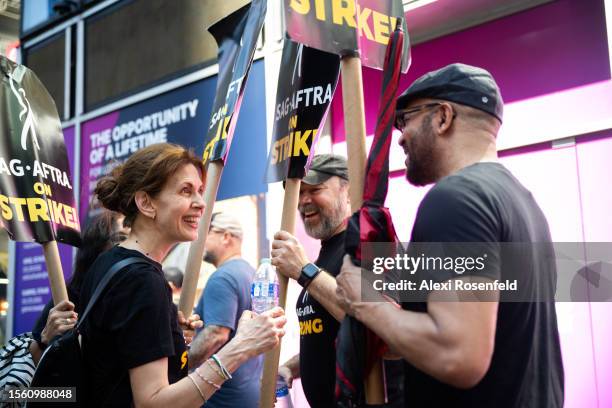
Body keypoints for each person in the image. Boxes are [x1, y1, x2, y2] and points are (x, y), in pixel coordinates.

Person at [335, 63, 564, 407]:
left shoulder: (456, 199)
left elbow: (458, 354)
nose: (400, 135)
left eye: (406, 118)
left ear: (443, 117)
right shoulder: (523, 203)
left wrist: (365, 302)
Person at [78, 143, 286, 407]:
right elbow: (153, 403)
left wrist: (171, 339)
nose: (200, 203)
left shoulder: (110, 263)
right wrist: (241, 346)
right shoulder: (142, 279)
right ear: (146, 203)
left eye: (200, 191)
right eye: (186, 191)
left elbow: (113, 360)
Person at [272, 154, 403, 407]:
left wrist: (304, 271)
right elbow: (335, 338)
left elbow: (383, 332)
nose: (303, 201)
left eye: (315, 189)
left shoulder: (373, 243)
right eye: (300, 192)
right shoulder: (326, 253)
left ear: (349, 190)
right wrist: (291, 367)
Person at [29, 210, 129, 364]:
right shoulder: (68, 298)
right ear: (97, 247)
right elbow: (35, 367)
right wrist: (46, 340)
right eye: (121, 239)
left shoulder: (144, 291)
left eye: (135, 240)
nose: (130, 247)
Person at [189, 212, 261, 408]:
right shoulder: (250, 273)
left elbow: (216, 334)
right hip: (247, 394)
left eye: (207, 232)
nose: (199, 239)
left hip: (221, 398)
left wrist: (182, 363)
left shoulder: (223, 277)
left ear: (226, 237)